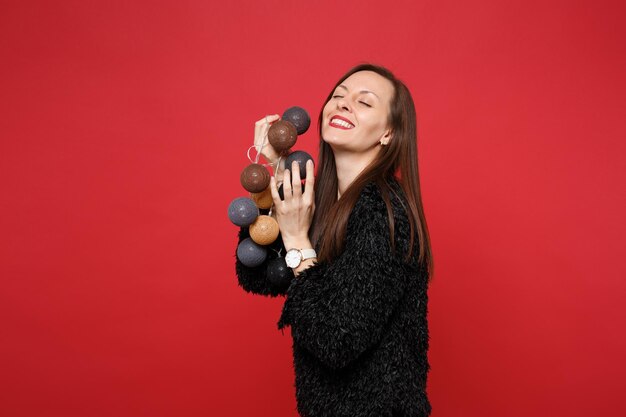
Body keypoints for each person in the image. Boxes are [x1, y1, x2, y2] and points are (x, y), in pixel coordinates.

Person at [234, 63, 434, 417]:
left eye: (364, 102)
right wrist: (274, 175)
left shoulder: (383, 210)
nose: (343, 104)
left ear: (388, 133)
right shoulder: (328, 202)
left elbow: (336, 340)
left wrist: (296, 238)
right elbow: (258, 275)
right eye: (338, 96)